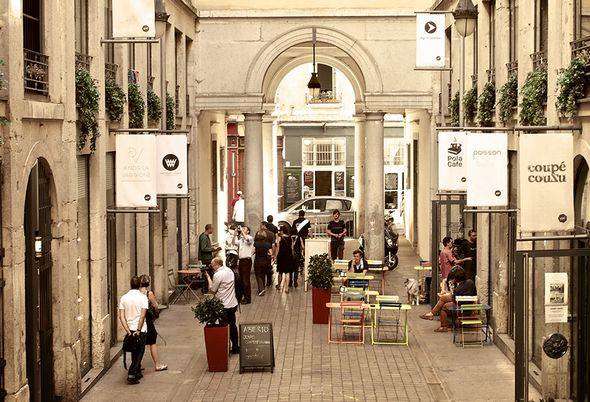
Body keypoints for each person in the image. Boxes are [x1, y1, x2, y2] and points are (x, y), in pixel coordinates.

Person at [419, 266, 476, 332]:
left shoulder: (458, 288)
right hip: (469, 305)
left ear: (456, 278)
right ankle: (431, 314)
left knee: (444, 307)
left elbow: (455, 299)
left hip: (462, 307)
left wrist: (452, 291)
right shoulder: (470, 282)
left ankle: (443, 326)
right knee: (444, 298)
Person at [205, 258, 240, 354]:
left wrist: (208, 278)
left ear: (217, 265)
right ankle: (236, 347)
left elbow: (212, 290)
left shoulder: (218, 274)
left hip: (222, 305)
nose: (212, 268)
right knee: (233, 325)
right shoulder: (229, 271)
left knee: (223, 326)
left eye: (212, 266)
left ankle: (225, 347)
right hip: (232, 303)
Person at [118, 276, 148, 384]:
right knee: (139, 351)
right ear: (140, 285)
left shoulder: (124, 298)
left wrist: (128, 331)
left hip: (129, 329)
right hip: (141, 329)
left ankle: (137, 371)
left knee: (133, 350)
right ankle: (132, 373)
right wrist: (138, 330)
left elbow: (121, 316)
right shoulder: (143, 297)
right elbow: (142, 316)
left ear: (130, 285)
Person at [139, 275, 167, 372]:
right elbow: (155, 305)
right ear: (148, 283)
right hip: (147, 319)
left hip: (138, 319)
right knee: (152, 341)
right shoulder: (148, 293)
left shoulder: (137, 293)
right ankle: (157, 364)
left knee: (140, 341)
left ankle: (137, 364)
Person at [234, 226, 254, 304]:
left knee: (246, 280)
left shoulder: (250, 238)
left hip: (247, 261)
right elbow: (234, 243)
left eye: (244, 229)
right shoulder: (241, 239)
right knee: (241, 280)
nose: (242, 229)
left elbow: (247, 240)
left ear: (248, 231)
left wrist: (241, 231)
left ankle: (248, 298)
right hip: (241, 260)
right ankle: (241, 297)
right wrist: (235, 234)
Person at [275, 225, 296, 293]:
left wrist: (275, 256)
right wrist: (292, 255)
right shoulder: (290, 238)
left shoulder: (280, 238)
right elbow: (292, 248)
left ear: (282, 231)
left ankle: (279, 286)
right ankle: (286, 288)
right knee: (287, 273)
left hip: (281, 256)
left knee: (280, 272)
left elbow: (278, 248)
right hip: (288, 256)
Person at [253, 230, 273, 296]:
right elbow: (271, 253)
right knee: (263, 274)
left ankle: (261, 289)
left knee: (258, 275)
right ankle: (262, 288)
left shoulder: (255, 244)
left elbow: (252, 251)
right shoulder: (267, 244)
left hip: (257, 261)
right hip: (265, 261)